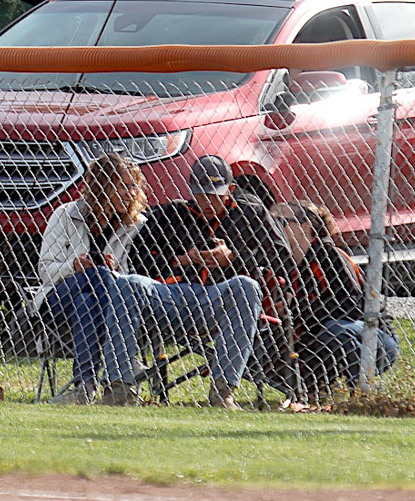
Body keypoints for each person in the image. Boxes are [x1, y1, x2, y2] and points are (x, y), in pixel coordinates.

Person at [95, 154, 281, 408]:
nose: (207, 202)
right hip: (172, 296)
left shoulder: (251, 212)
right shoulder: (172, 214)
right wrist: (182, 259)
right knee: (128, 283)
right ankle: (119, 387)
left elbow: (280, 256)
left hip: (218, 298)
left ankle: (222, 392)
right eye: (201, 195)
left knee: (246, 286)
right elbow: (139, 257)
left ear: (231, 190)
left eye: (215, 195)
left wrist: (232, 258)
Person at [31, 153, 146, 405]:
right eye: (123, 186)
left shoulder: (136, 225)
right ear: (103, 186)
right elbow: (46, 271)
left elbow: (135, 280)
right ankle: (126, 358)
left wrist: (116, 271)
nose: (130, 193)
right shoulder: (65, 215)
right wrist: (74, 266)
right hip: (58, 297)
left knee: (87, 302)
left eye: (133, 186)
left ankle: (85, 387)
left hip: (99, 305)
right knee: (96, 274)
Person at [262, 198, 398, 401]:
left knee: (334, 330)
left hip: (373, 337)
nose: (273, 228)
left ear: (305, 226)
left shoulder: (330, 256)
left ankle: (361, 394)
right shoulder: (288, 263)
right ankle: (313, 392)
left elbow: (350, 305)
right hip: (328, 333)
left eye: (280, 222)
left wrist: (296, 308)